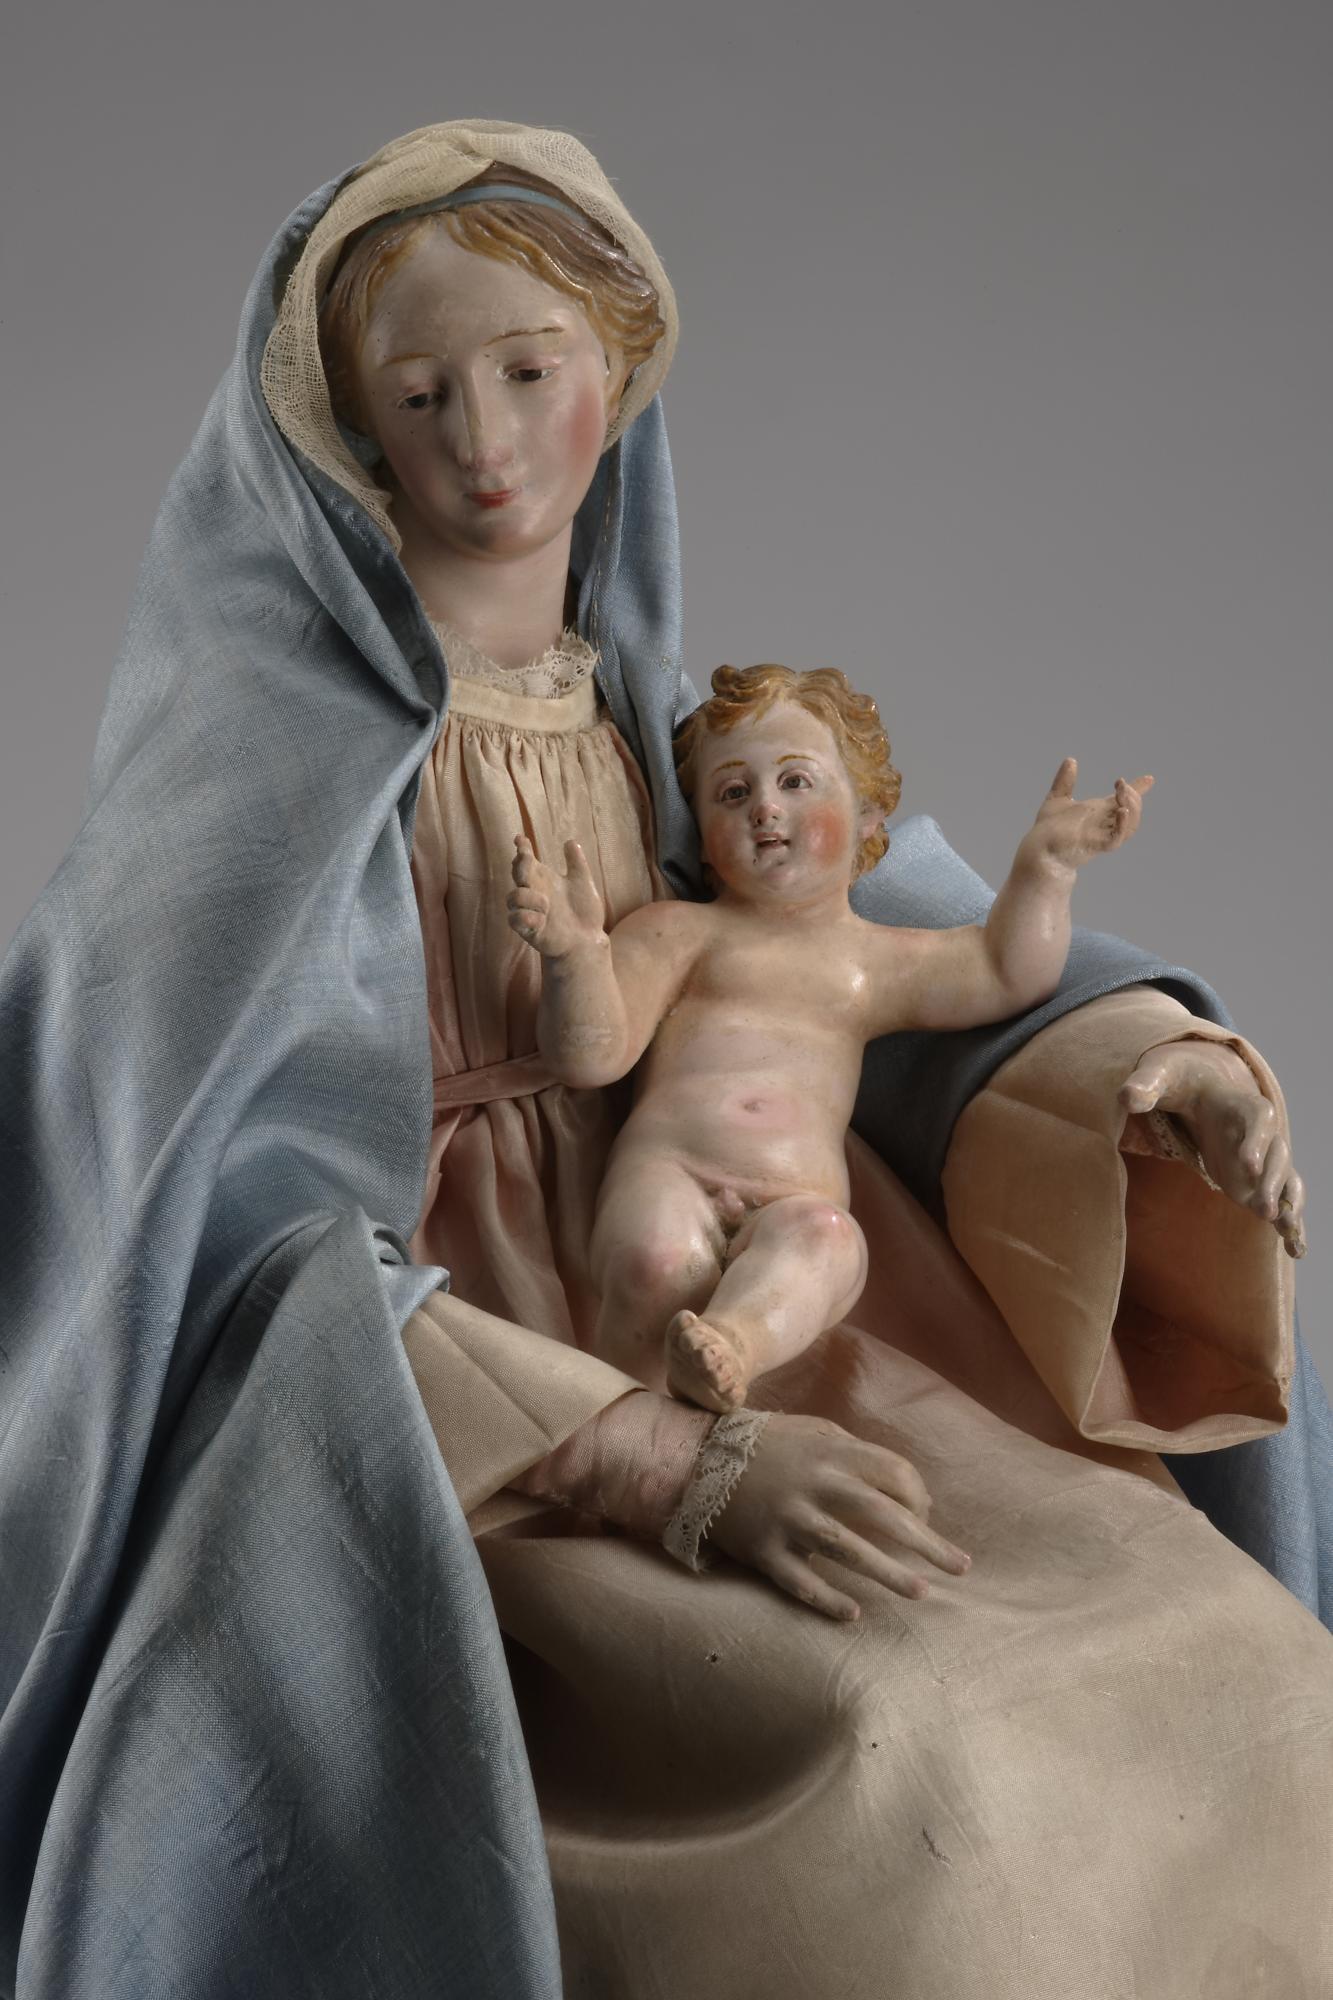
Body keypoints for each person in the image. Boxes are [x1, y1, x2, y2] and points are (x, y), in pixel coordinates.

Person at [0, 118, 1329, 1999]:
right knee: (919, 1767)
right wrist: (645, 1461)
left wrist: (1143, 1063)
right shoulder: (251, 798)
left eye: (529, 372)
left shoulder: (666, 743)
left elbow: (889, 967)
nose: (483, 442)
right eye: (421, 393)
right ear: (350, 432)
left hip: (755, 1291)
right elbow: (213, 1235)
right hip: (465, 1409)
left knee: (1225, 1663)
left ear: (615, 380)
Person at [508, 663, 1200, 1413]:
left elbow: (1007, 972)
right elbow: (590, 1057)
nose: (764, 807)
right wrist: (575, 957)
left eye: (795, 782)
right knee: (655, 1261)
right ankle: (621, 1421)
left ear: (868, 813)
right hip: (670, 1170)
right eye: (732, 793)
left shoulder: (870, 962)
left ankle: (732, 1347)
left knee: (830, 1245)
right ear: (700, 837)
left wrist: (1048, 867)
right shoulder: (677, 933)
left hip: (795, 1195)